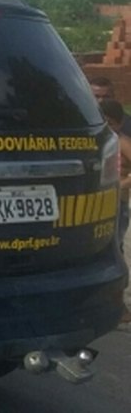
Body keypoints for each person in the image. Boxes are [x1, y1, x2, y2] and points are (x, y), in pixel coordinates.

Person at [99, 98, 131, 325]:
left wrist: (122, 184)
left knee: (116, 253)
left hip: (119, 203)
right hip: (103, 205)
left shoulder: (121, 142)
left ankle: (121, 306)